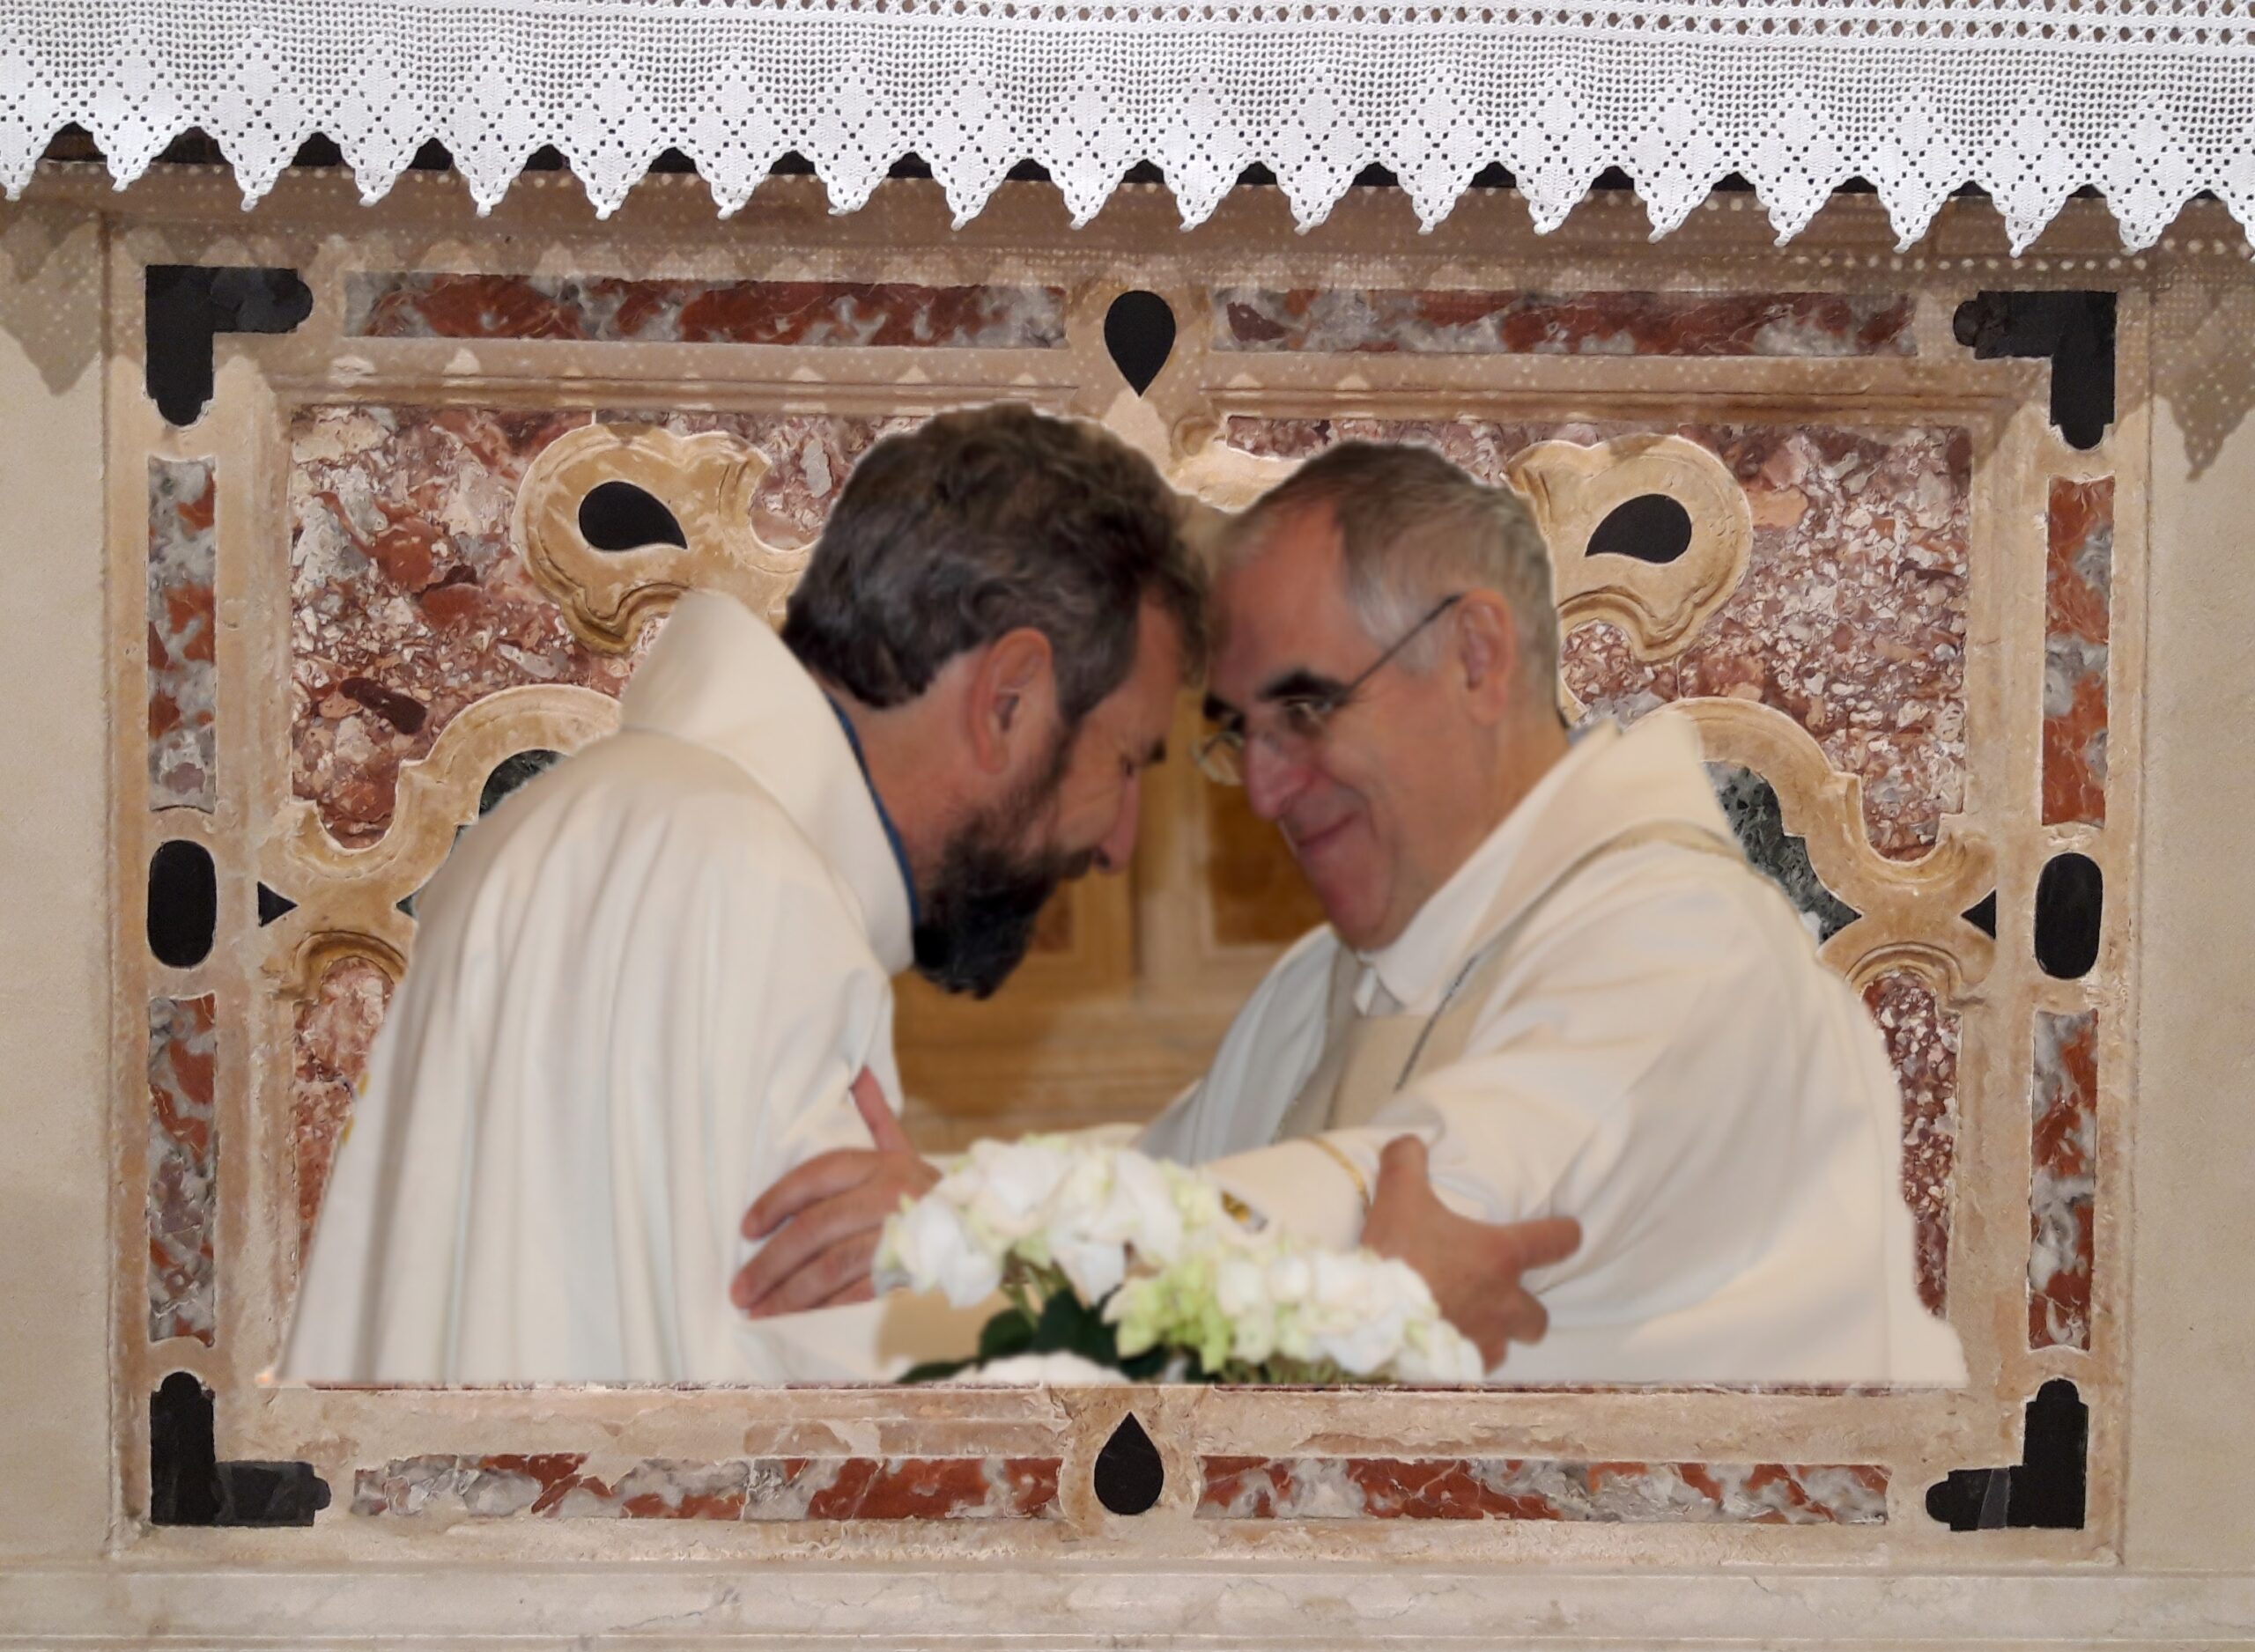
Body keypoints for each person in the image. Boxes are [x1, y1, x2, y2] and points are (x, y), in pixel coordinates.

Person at [286, 407, 1569, 1384]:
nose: (1121, 843)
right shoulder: (747, 886)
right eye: (1124, 762)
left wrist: (973, 1213)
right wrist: (1367, 1305)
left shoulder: (581, 821)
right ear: (1009, 697)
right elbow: (868, 1412)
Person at [740, 440, 1964, 1386]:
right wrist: (920, 1196)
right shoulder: (1329, 979)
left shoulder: (1684, 946)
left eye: (1308, 711)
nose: (1267, 792)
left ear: (1477, 656)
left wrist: (976, 1225)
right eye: (1243, 734)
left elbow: (1413, 1213)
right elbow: (1171, 1179)